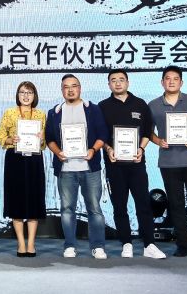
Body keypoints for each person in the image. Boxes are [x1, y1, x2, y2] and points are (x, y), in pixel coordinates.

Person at [99, 69, 166, 260]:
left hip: (136, 163)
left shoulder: (140, 104)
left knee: (143, 203)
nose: (118, 83)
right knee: (119, 205)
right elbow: (100, 135)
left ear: (128, 82)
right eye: (113, 80)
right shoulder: (102, 106)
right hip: (114, 164)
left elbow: (146, 132)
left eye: (121, 79)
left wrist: (141, 149)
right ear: (109, 84)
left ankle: (149, 244)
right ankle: (126, 243)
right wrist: (108, 149)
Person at [148, 65, 187, 257]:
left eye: (175, 78)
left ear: (181, 82)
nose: (171, 82)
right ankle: (183, 245)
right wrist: (158, 141)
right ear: (162, 82)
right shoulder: (153, 105)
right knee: (176, 205)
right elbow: (149, 132)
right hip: (168, 162)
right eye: (168, 78)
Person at [45, 74, 108, 259]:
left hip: (90, 168)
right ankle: (70, 245)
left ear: (80, 88)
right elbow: (49, 138)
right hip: (65, 169)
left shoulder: (93, 109)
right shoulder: (54, 112)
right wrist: (58, 152)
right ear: (62, 90)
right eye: (66, 87)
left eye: (74, 86)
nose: (70, 90)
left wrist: (93, 150)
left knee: (94, 208)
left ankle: (98, 246)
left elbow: (103, 134)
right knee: (67, 209)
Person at [0, 81, 47, 257]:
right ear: (18, 95)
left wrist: (42, 138)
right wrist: (11, 140)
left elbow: (44, 144)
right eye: (22, 92)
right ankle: (20, 243)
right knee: (16, 200)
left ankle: (31, 243)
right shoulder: (9, 113)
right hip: (15, 159)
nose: (26, 96)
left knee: (34, 200)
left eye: (29, 92)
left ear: (34, 96)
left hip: (34, 160)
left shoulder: (41, 114)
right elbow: (1, 136)